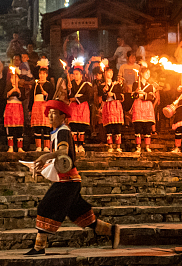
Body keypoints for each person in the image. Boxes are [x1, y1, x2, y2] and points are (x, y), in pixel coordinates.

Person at [25, 99, 120, 255]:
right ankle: (112, 230)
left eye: (54, 113)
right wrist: (42, 165)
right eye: (49, 113)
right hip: (70, 180)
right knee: (80, 214)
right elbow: (59, 159)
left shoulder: (63, 131)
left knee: (46, 206)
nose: (50, 116)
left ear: (63, 116)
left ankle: (39, 247)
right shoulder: (57, 132)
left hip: (68, 181)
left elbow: (63, 152)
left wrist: (44, 156)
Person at [28, 60, 54, 152]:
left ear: (46, 75)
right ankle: (38, 146)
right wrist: (30, 109)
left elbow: (52, 96)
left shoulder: (49, 85)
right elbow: (31, 97)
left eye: (44, 73)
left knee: (47, 127)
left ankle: (46, 146)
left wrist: (46, 94)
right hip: (36, 107)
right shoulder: (35, 85)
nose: (42, 75)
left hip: (45, 106)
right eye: (40, 73)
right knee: (37, 127)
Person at [67, 61, 92, 155]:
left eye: (77, 74)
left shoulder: (86, 84)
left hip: (82, 107)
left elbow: (88, 96)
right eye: (74, 74)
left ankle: (80, 145)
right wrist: (69, 91)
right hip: (73, 107)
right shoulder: (71, 84)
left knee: (81, 127)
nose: (75, 76)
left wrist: (76, 99)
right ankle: (74, 145)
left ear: (81, 74)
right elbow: (68, 96)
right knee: (73, 126)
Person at [130, 66, 156, 154]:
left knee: (147, 127)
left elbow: (152, 97)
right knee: (138, 126)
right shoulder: (135, 84)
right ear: (141, 74)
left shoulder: (151, 86)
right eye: (146, 73)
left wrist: (144, 95)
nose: (148, 75)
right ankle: (138, 146)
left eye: (149, 73)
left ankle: (147, 146)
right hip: (138, 106)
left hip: (147, 107)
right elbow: (132, 96)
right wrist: (137, 93)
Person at [99, 65, 125, 153]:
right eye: (108, 72)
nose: (110, 74)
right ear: (105, 73)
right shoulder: (102, 86)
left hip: (116, 106)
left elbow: (121, 96)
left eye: (111, 72)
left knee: (117, 126)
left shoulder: (117, 84)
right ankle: (110, 145)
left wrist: (113, 95)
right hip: (107, 107)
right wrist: (104, 92)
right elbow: (102, 98)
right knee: (108, 127)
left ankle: (118, 146)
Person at [2, 62, 25, 153]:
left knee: (19, 128)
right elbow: (4, 96)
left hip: (18, 108)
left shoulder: (21, 88)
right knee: (10, 127)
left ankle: (20, 147)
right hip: (10, 108)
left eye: (15, 77)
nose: (14, 79)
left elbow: (23, 97)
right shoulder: (7, 87)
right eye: (12, 77)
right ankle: (10, 146)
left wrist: (18, 91)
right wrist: (11, 91)